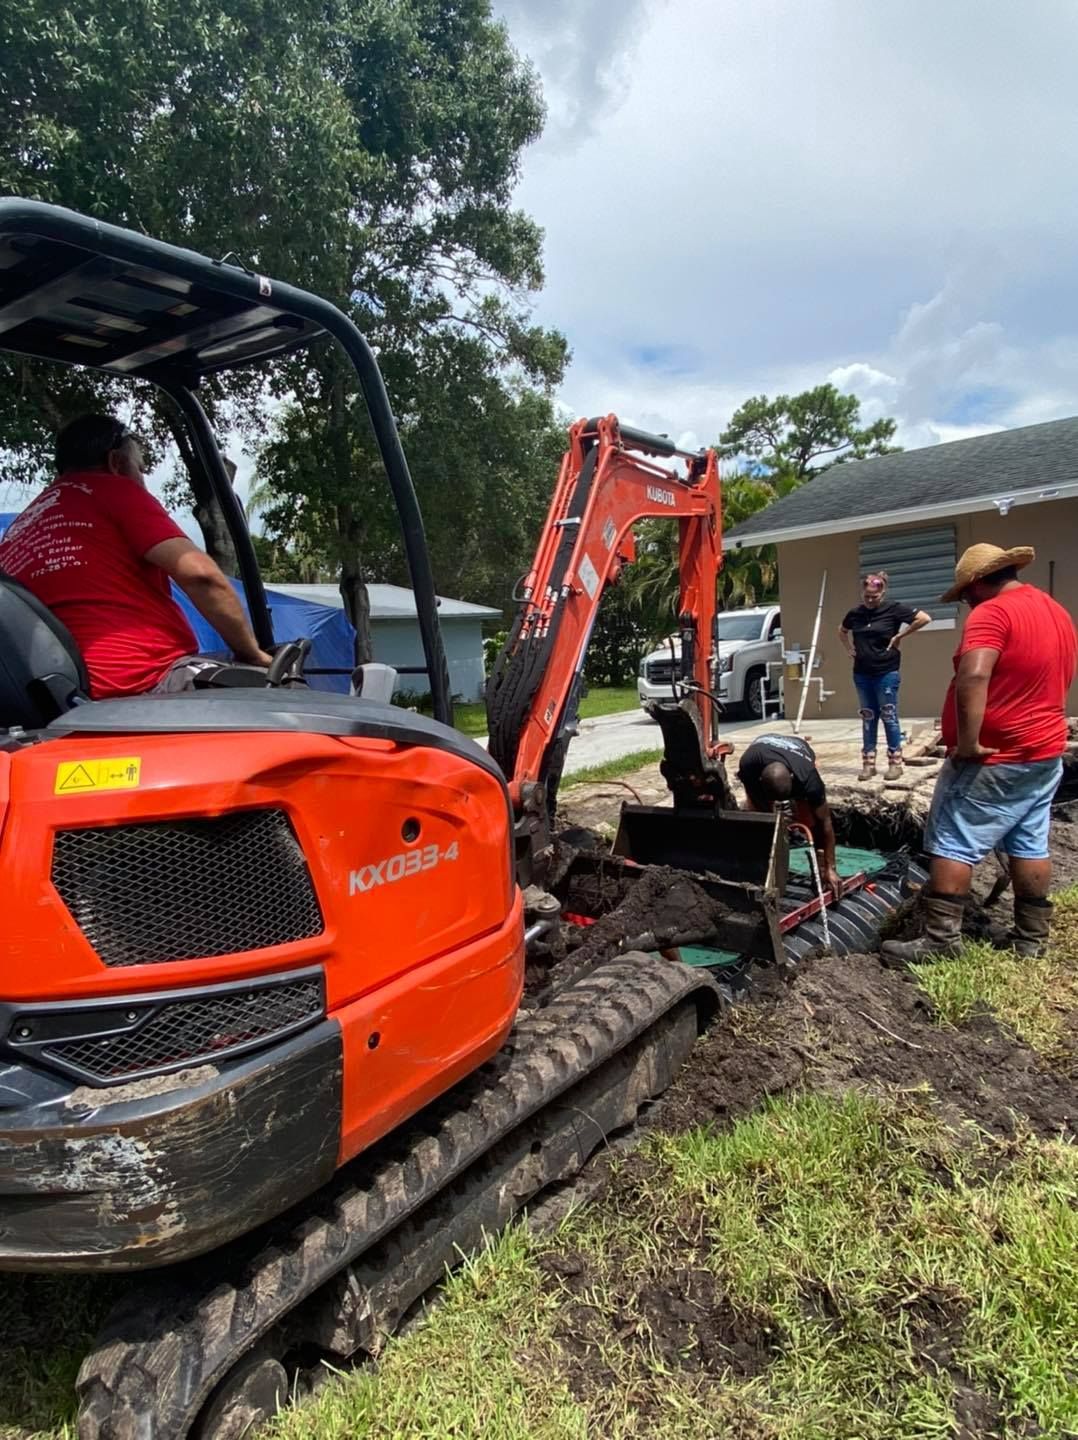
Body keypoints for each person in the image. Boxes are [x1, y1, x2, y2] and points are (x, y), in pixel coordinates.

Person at [882, 543, 1077, 965]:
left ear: (977, 582)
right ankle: (1030, 938)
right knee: (1028, 839)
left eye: (966, 593)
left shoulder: (993, 613)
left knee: (953, 838)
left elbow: (973, 674)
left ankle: (940, 940)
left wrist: (968, 742)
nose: (967, 602)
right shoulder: (1054, 611)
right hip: (1043, 751)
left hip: (995, 757)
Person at [0, 414, 273, 699]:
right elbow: (201, 576)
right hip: (143, 679)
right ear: (116, 462)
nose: (142, 479)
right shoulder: (112, 489)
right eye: (141, 468)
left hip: (57, 694)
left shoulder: (20, 528)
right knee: (281, 691)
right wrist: (251, 652)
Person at [839, 571, 931, 783]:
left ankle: (895, 763)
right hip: (862, 673)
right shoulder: (855, 613)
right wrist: (849, 648)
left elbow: (924, 618)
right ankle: (868, 764)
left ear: (882, 593)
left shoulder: (893, 610)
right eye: (867, 596)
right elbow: (842, 631)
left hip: (886, 671)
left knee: (888, 715)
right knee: (869, 717)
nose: (870, 600)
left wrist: (900, 635)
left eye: (875, 597)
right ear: (862, 593)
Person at [737, 733, 842, 897]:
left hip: (798, 749)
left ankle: (820, 869)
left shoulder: (809, 779)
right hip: (762, 745)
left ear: (792, 778)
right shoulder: (749, 765)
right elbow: (757, 804)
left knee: (810, 819)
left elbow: (825, 822)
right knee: (760, 816)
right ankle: (766, 863)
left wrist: (830, 867)